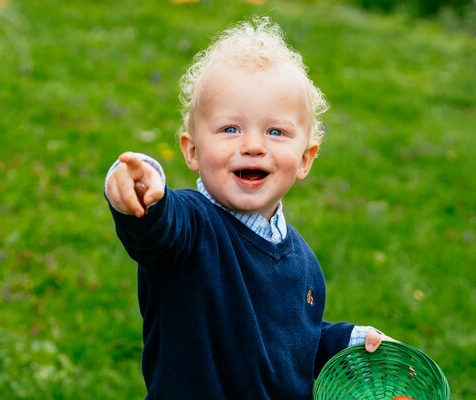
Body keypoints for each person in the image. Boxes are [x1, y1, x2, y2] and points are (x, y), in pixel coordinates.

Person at [105, 17, 393, 399]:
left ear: (305, 159)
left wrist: (348, 341)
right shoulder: (191, 227)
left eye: (275, 132)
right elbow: (157, 231)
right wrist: (143, 190)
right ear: (192, 150)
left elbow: (294, 342)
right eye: (230, 129)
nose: (253, 146)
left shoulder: (303, 262)